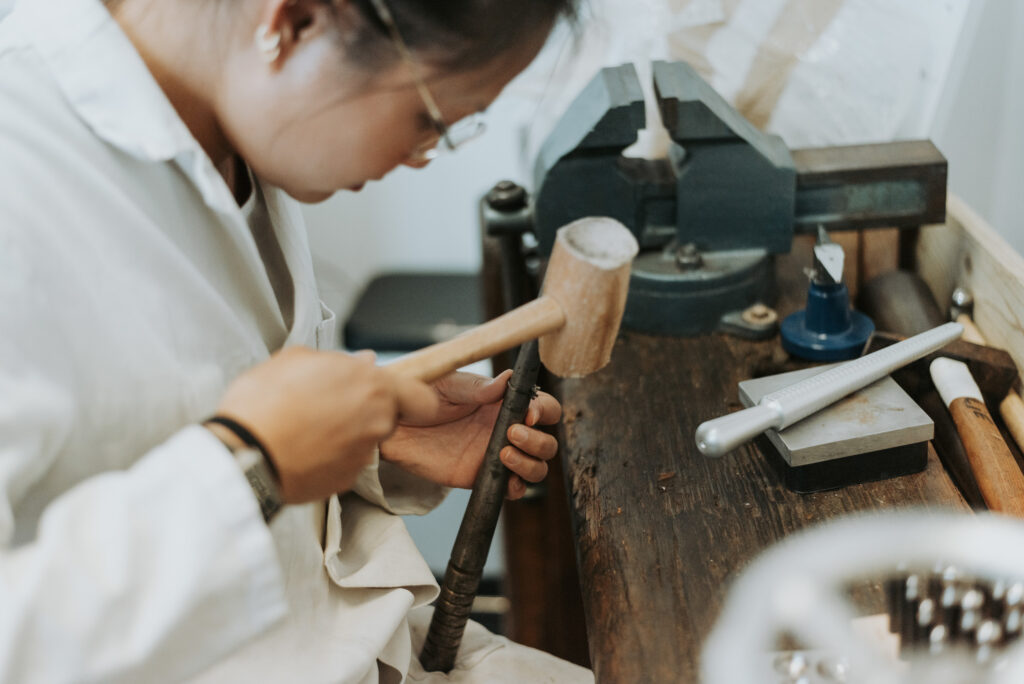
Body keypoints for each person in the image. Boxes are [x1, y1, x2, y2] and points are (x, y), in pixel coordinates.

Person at [0, 0, 592, 681]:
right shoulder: (23, 184)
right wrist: (253, 464)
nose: (424, 158)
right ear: (296, 22)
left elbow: (166, 413)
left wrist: (369, 441)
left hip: (352, 639)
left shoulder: (236, 126)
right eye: (429, 121)